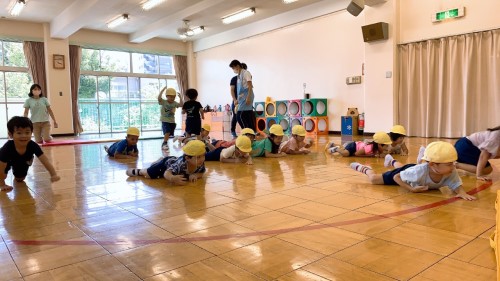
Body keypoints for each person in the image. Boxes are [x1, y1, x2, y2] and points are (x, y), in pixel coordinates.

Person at [350, 141, 476, 200]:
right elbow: (396, 177)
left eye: (453, 164)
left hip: (411, 170)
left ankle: (391, 160)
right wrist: (411, 189)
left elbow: (456, 184)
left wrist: (462, 193)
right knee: (374, 179)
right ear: (433, 164)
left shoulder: (450, 171)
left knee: (403, 168)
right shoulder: (419, 171)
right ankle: (365, 169)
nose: (453, 167)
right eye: (449, 164)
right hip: (408, 172)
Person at [0, 116, 60, 191]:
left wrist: (53, 174)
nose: (24, 136)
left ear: (31, 133)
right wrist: (2, 184)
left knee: (20, 179)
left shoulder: (33, 145)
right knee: (3, 175)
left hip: (23, 160)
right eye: (19, 133)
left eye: (27, 132)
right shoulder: (7, 147)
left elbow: (45, 160)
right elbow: (1, 167)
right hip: (6, 161)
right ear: (11, 135)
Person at [126, 140, 206, 185]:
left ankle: (157, 161)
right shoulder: (180, 164)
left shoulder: (200, 163)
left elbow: (202, 173)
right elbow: (166, 173)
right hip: (165, 164)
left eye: (203, 156)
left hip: (173, 161)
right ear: (187, 158)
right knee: (150, 174)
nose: (202, 159)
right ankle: (139, 171)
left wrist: (195, 175)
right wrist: (172, 178)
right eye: (198, 157)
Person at [229, 59, 255, 131]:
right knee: (247, 116)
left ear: (237, 66)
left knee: (239, 116)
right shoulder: (239, 76)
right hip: (242, 98)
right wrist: (236, 99)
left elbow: (250, 86)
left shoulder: (246, 73)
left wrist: (248, 97)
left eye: (233, 68)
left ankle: (246, 132)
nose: (233, 70)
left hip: (247, 96)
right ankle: (251, 132)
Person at [325, 132, 392, 157]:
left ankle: (332, 144)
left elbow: (381, 152)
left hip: (356, 145)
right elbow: (356, 154)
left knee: (343, 147)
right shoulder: (370, 148)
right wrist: (370, 156)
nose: (387, 148)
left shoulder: (376, 147)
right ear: (379, 144)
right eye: (386, 146)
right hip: (354, 146)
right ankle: (336, 149)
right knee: (346, 153)